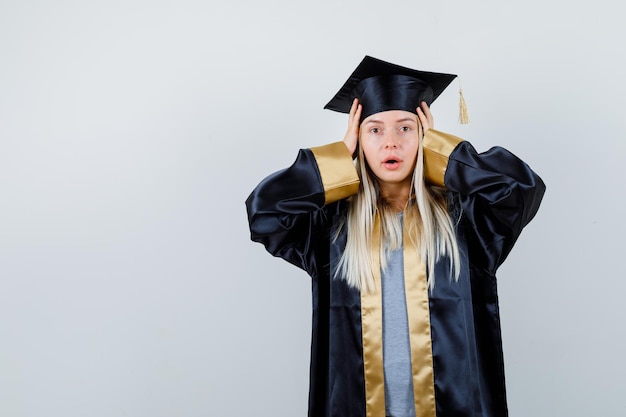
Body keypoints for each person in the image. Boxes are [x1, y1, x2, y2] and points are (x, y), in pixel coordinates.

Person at [245, 56, 545, 417]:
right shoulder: (331, 228)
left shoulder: (467, 222)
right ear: (358, 139)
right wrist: (340, 157)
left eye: (405, 128)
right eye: (374, 130)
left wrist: (445, 153)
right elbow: (264, 212)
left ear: (425, 135)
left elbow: (521, 189)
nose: (391, 143)